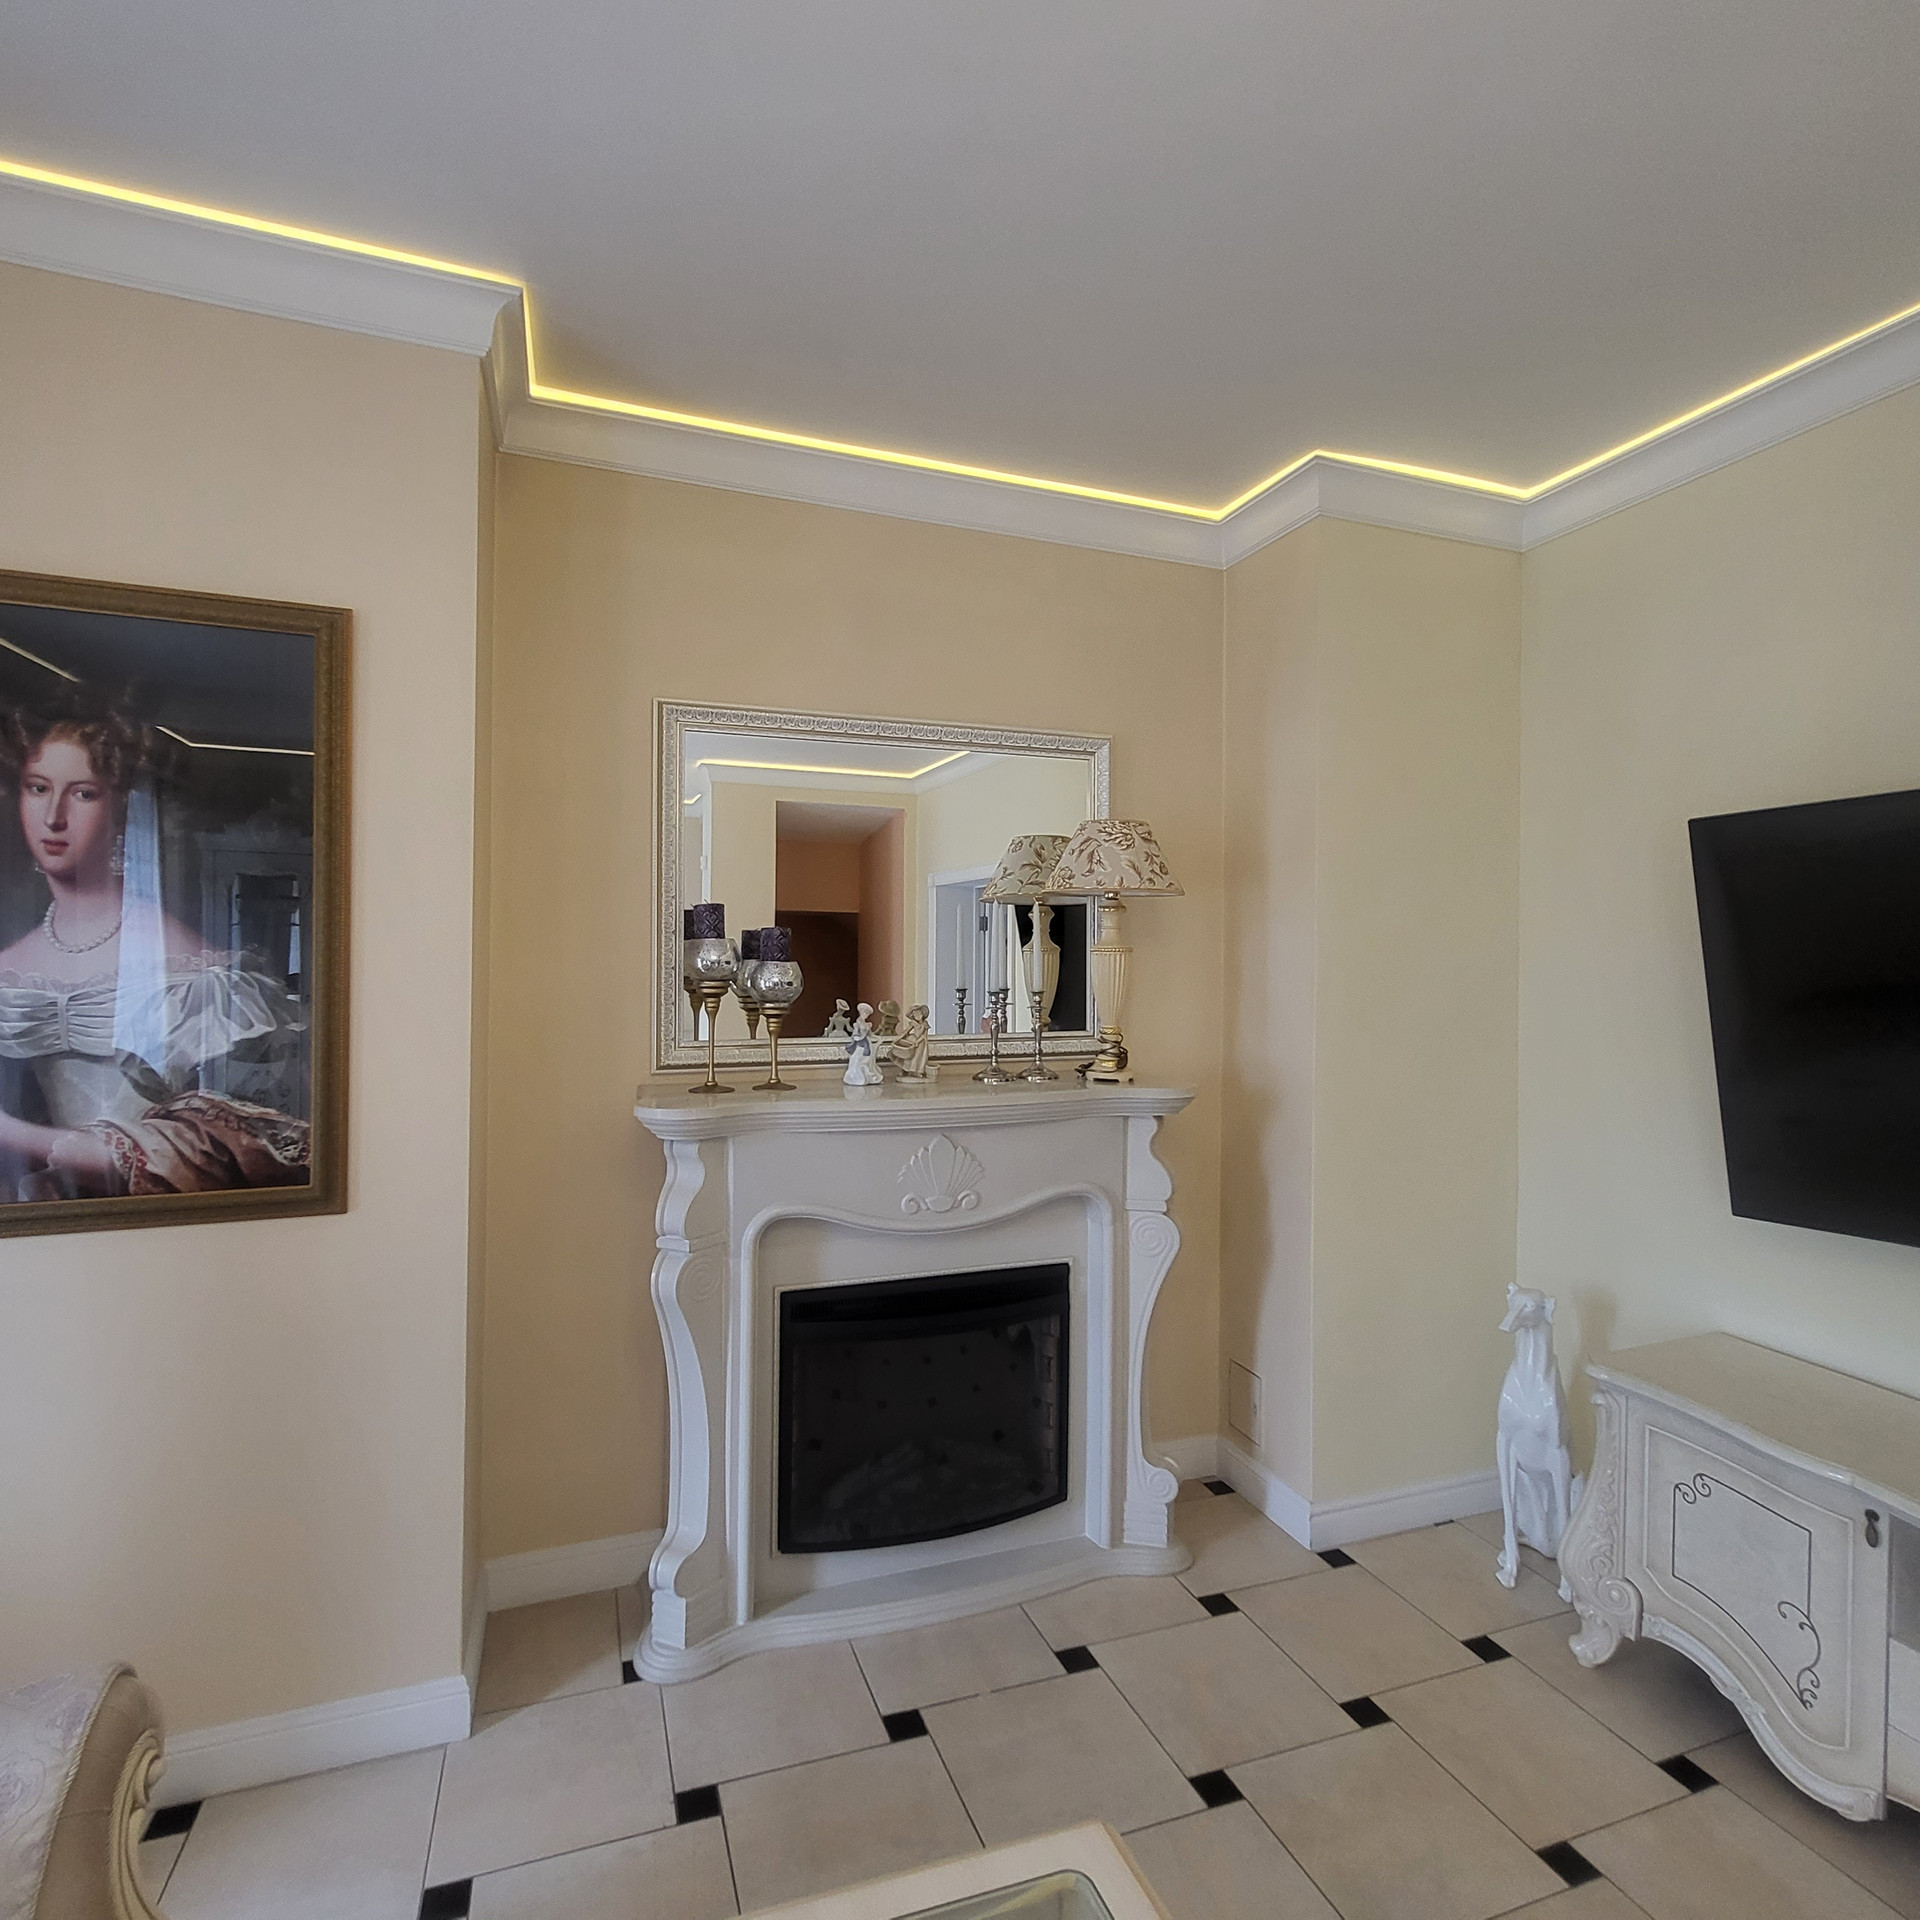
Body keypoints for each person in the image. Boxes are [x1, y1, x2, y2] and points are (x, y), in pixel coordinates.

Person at [0, 695, 310, 1202]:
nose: (53, 817)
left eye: (83, 794)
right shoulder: (11, 965)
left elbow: (228, 1143)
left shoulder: (188, 965)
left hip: (163, 1211)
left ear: (122, 810)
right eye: (38, 788)